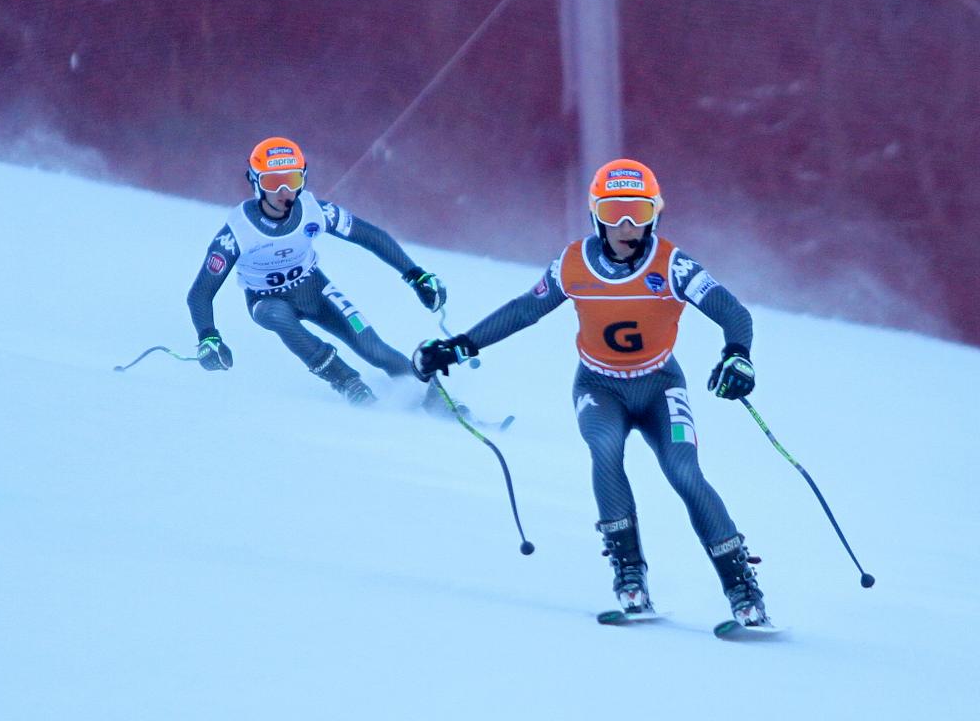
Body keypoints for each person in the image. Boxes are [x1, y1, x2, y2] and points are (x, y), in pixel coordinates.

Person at [411, 158, 770, 627]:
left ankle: (742, 587)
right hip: (599, 386)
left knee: (684, 473)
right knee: (605, 452)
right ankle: (630, 575)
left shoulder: (674, 265)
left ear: (655, 216)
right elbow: (525, 310)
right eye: (614, 211)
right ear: (595, 214)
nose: (626, 225)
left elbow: (732, 311)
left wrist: (737, 353)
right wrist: (460, 346)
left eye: (638, 213)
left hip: (660, 384)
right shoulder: (574, 263)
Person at [188, 136, 447, 406]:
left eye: (293, 180)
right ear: (255, 183)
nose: (284, 191)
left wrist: (416, 275)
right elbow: (200, 293)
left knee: (374, 349)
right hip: (266, 299)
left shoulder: (315, 211)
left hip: (314, 289)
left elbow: (371, 236)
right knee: (275, 314)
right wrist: (208, 336)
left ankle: (434, 395)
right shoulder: (239, 231)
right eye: (273, 182)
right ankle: (346, 381)